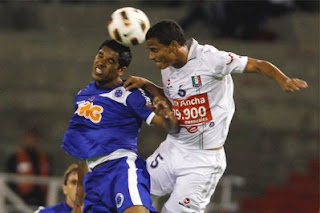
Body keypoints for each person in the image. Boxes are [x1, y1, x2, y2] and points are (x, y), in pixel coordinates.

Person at [123, 20, 308, 213]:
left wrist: (283, 80)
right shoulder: (168, 67)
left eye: (154, 49)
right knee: (134, 194)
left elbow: (257, 65)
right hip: (174, 147)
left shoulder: (211, 59)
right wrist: (147, 84)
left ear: (173, 46)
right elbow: (177, 97)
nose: (151, 56)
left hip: (203, 160)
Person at [61, 39, 179, 213]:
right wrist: (79, 200)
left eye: (111, 61)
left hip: (120, 170)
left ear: (121, 70)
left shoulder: (130, 93)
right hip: (94, 179)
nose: (101, 62)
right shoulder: (82, 96)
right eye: (100, 55)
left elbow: (170, 127)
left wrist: (168, 116)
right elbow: (82, 151)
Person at [6, 127, 51, 206]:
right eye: (30, 137)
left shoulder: (46, 158)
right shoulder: (15, 158)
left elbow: (49, 177)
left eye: (34, 137)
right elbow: (9, 179)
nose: (32, 140)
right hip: (20, 199)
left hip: (40, 199)